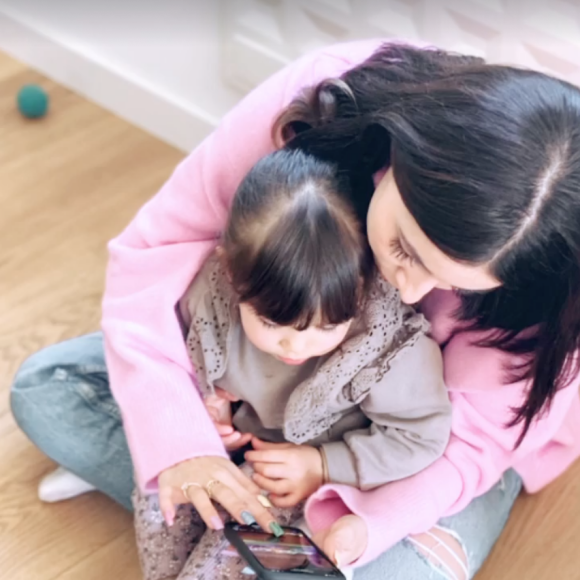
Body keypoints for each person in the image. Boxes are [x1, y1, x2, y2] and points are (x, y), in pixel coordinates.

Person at [10, 38, 580, 580]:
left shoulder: (540, 292)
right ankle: (240, 505)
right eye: (406, 248)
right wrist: (184, 431)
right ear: (391, 154)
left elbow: (460, 442)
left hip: (424, 448)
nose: (410, 293)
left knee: (391, 563)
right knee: (48, 389)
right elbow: (159, 254)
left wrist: (337, 491)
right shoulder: (325, 100)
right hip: (265, 411)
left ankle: (246, 512)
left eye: (463, 288)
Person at [132, 147, 451, 580]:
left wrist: (322, 464)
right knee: (161, 497)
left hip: (304, 480)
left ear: (362, 287)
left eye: (327, 325)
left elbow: (421, 438)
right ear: (231, 274)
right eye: (270, 321)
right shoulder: (209, 296)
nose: (295, 345)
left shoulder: (388, 347)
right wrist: (206, 416)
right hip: (236, 454)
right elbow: (174, 365)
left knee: (229, 560)